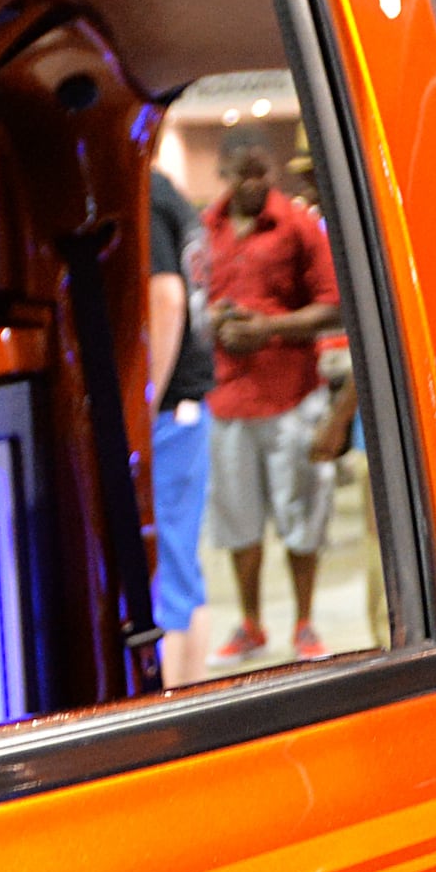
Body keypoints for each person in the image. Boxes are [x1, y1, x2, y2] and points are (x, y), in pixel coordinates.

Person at [199, 135, 341, 663]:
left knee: (302, 515)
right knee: (237, 522)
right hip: (227, 398)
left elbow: (334, 305)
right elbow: (193, 297)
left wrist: (269, 329)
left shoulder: (297, 226)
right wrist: (212, 319)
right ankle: (251, 625)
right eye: (243, 174)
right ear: (224, 173)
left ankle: (305, 624)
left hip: (291, 394)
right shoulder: (206, 229)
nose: (253, 184)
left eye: (262, 173)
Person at [140, 164, 212, 684]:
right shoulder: (172, 195)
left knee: (167, 578)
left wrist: (143, 402)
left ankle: (172, 709)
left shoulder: (144, 194)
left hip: (168, 413)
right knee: (182, 572)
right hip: (185, 409)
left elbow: (165, 298)